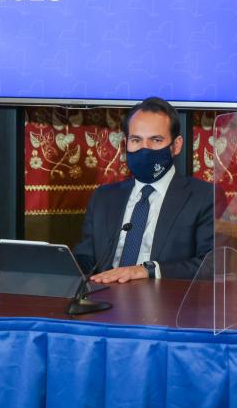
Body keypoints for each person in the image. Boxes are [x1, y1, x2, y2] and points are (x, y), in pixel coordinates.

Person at [73, 96, 214, 282]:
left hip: (166, 303)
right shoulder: (104, 197)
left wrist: (148, 270)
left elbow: (213, 265)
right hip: (105, 299)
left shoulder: (204, 197)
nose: (144, 149)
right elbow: (85, 259)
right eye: (136, 140)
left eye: (156, 140)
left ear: (176, 145)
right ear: (126, 143)